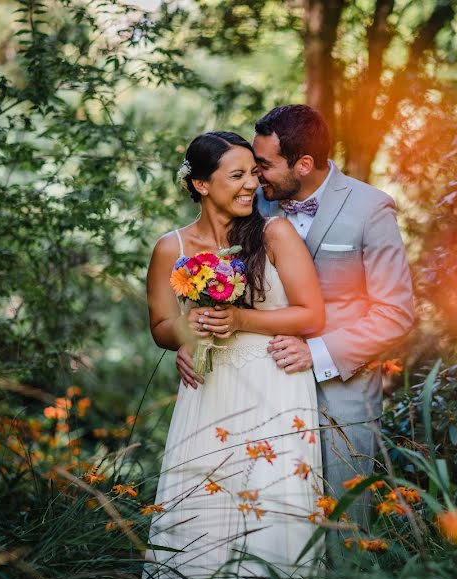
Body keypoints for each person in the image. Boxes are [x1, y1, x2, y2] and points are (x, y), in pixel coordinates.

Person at [178, 105, 415, 537]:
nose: (255, 177)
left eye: (264, 165)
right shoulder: (252, 206)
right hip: (262, 392)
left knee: (343, 529)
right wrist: (190, 340)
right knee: (269, 526)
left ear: (303, 164)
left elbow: (396, 313)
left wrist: (317, 353)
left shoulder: (370, 208)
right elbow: (212, 277)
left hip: (340, 394)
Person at [143, 131, 325, 579]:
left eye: (254, 173)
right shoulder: (172, 247)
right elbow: (162, 325)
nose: (251, 184)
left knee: (273, 513)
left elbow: (312, 314)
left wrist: (239, 317)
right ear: (202, 185)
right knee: (202, 510)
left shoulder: (274, 232)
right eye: (237, 175)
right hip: (210, 391)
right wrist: (190, 331)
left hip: (276, 387)